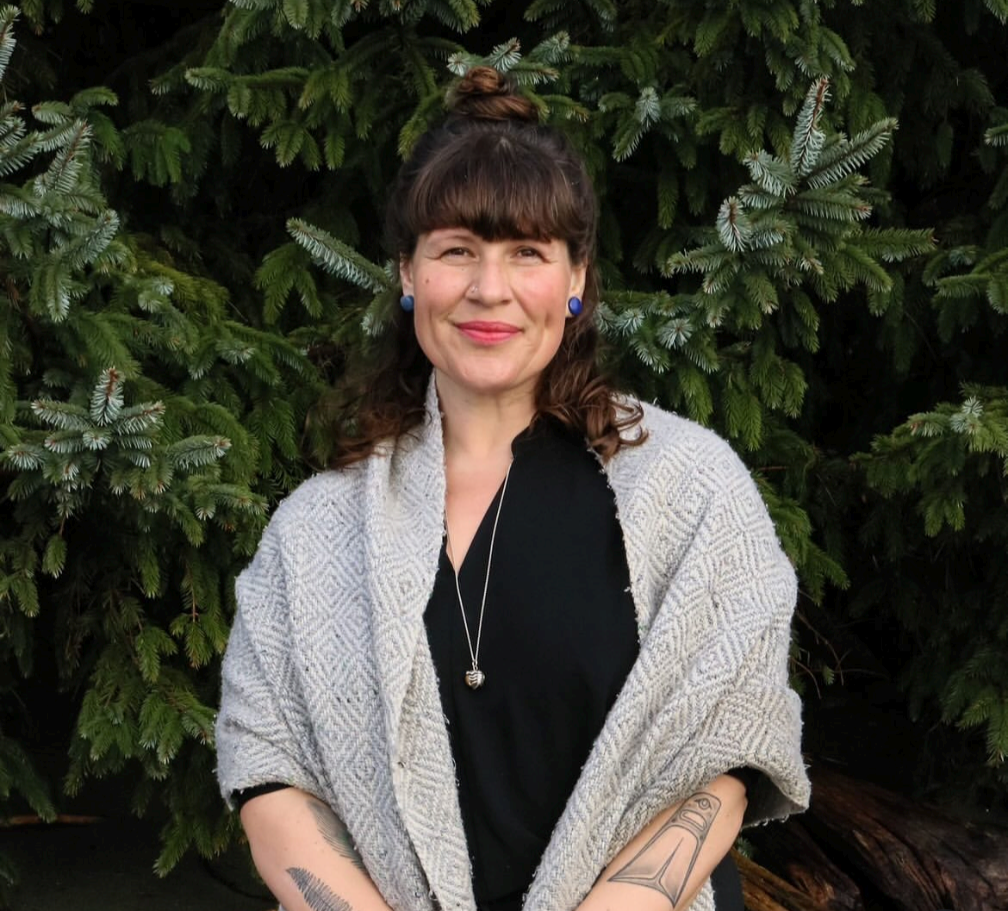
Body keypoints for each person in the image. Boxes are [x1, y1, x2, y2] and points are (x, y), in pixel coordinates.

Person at [215, 66, 810, 911]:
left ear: (575, 281)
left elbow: (729, 753)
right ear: (409, 275)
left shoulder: (690, 490)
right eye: (456, 249)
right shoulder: (318, 530)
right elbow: (268, 768)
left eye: (526, 253)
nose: (488, 289)